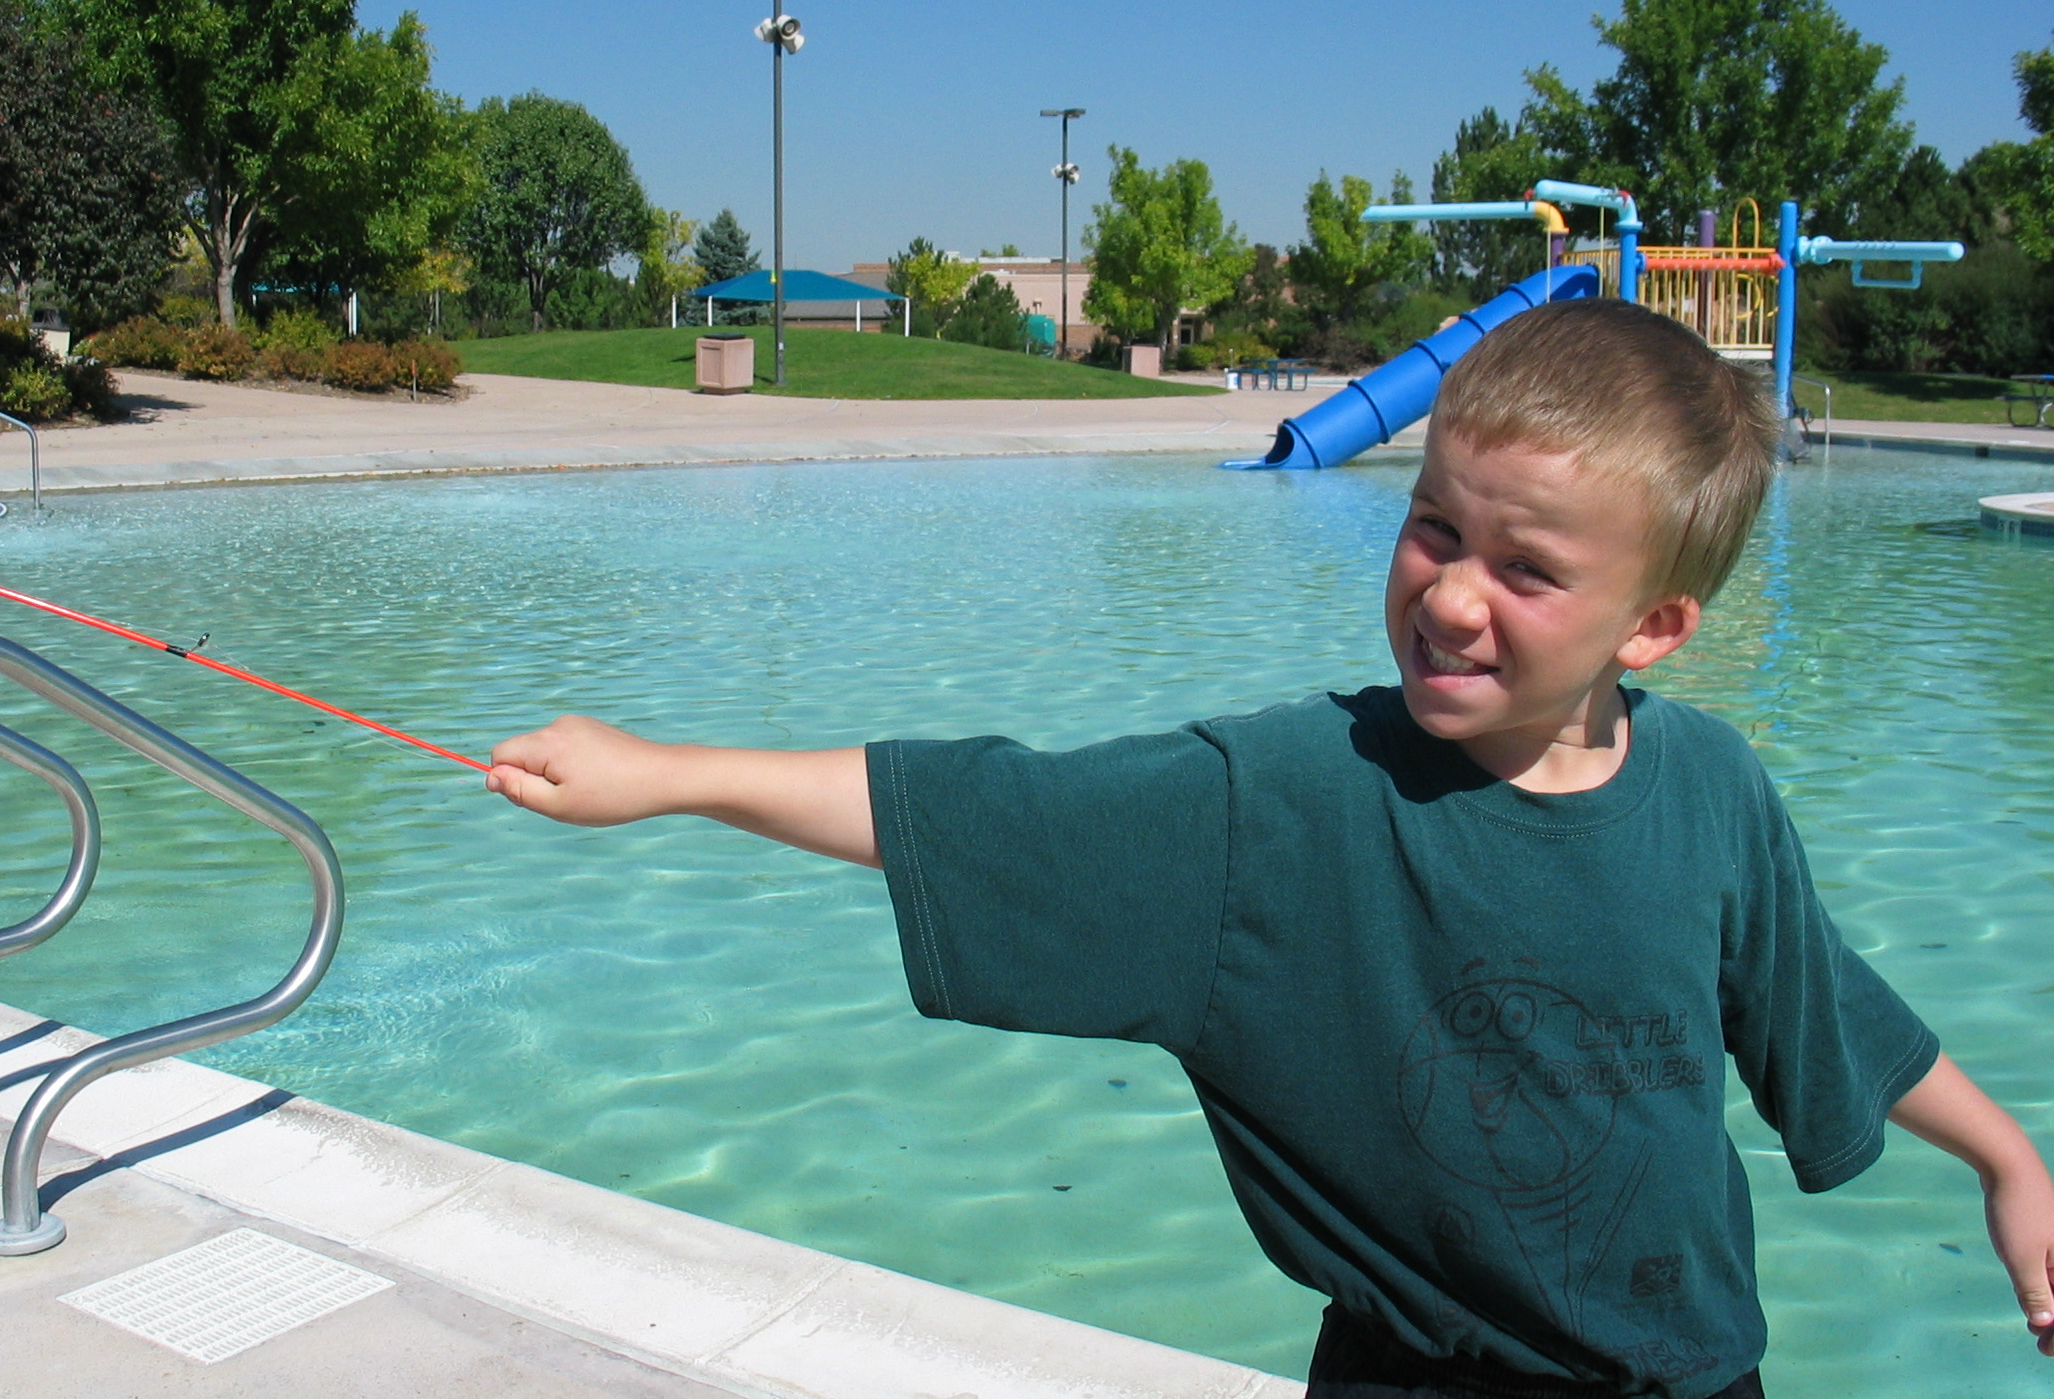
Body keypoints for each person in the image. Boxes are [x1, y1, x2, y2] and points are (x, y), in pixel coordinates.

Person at [485, 298, 2054, 1398]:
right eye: (1436, 528)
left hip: (1708, 1376)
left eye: (1526, 569)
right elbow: (982, 813)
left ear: (1654, 627)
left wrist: (2008, 1158)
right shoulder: (1289, 800)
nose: (1451, 594)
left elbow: (1828, 1006)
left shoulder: (1709, 787)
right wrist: (672, 773)